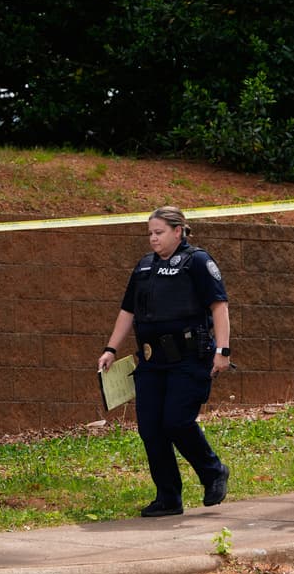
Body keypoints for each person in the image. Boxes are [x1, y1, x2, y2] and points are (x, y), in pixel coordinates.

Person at [98, 206, 231, 517]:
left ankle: (213, 472)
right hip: (151, 361)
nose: (153, 238)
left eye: (158, 232)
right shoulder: (144, 266)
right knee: (151, 428)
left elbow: (219, 306)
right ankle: (168, 497)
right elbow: (128, 311)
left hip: (188, 359)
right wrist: (111, 348)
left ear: (178, 231)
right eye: (150, 233)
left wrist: (223, 351)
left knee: (177, 421)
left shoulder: (197, 261)